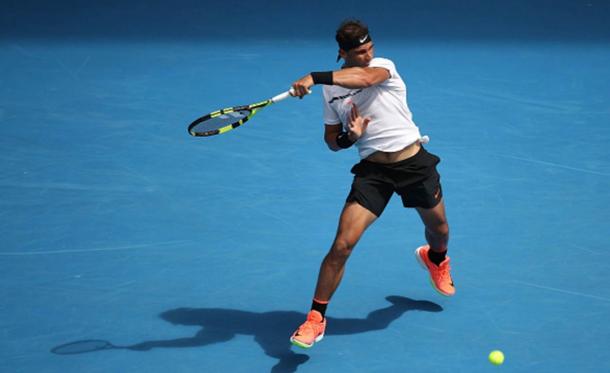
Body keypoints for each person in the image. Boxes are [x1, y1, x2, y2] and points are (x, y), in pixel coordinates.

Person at [288, 19, 455, 349]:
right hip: (373, 173)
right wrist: (351, 136)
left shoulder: (382, 66)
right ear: (343, 53)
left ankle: (435, 259)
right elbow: (332, 142)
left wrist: (312, 76)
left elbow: (364, 78)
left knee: (440, 230)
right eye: (360, 52)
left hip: (413, 163)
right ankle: (315, 319)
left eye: (369, 49)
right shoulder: (331, 91)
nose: (367, 56)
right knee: (342, 245)